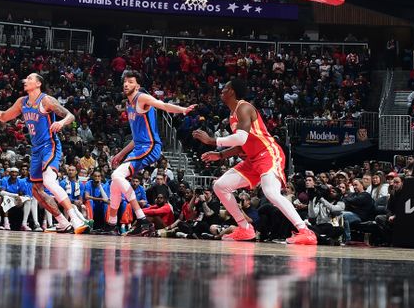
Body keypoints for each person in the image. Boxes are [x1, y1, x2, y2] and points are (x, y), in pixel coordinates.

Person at [193, 78, 317, 244]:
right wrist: (221, 155)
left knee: (271, 192)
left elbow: (241, 137)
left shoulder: (244, 107)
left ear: (232, 92)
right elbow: (241, 145)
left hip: (268, 153)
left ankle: (304, 230)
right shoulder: (232, 115)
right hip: (252, 159)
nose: (221, 90)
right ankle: (244, 228)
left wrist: (213, 141)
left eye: (225, 88)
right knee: (220, 186)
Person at [0, 73, 89, 234]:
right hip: (36, 149)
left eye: (30, 79)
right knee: (36, 190)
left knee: (48, 181)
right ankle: (61, 222)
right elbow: (4, 117)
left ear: (38, 83)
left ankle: (74, 217)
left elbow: (70, 115)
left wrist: (61, 122)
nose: (25, 81)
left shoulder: (46, 100)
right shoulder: (22, 102)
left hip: (50, 145)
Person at [107, 71, 196, 236]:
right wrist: (120, 154)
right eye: (125, 82)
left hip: (150, 146)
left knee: (117, 176)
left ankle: (142, 220)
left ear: (138, 85)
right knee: (115, 182)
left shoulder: (142, 98)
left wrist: (182, 109)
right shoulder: (128, 104)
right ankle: (112, 226)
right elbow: (135, 138)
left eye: (131, 81)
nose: (126, 84)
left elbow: (162, 105)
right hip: (139, 146)